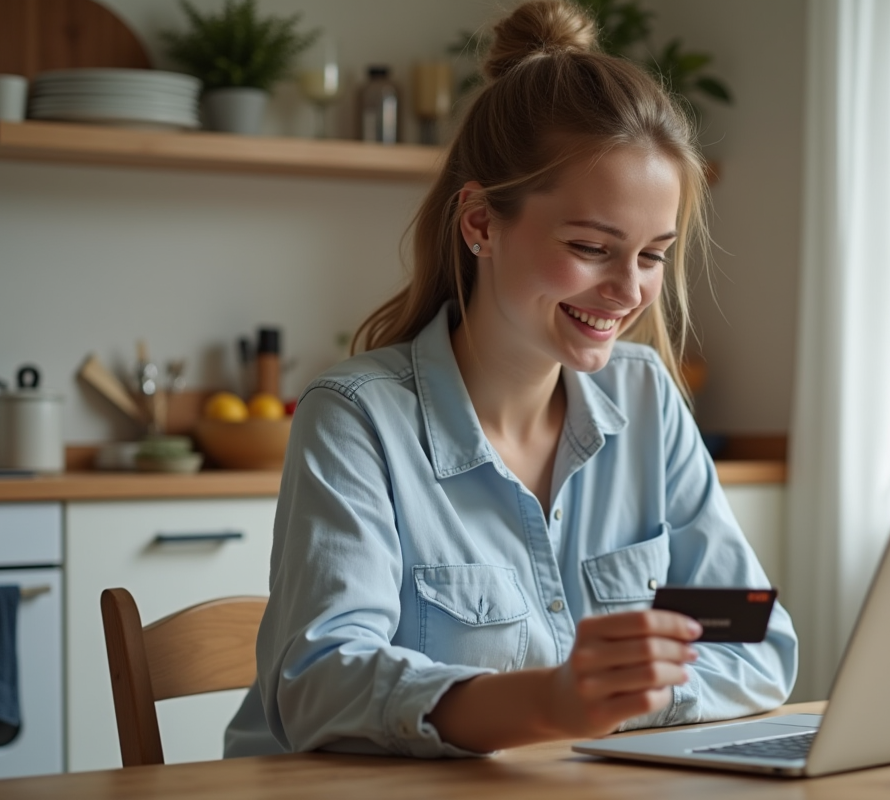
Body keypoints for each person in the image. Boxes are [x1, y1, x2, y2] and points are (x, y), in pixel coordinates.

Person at [225, 0, 797, 759]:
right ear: (481, 225)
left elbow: (754, 638)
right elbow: (320, 681)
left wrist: (610, 706)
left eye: (653, 255)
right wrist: (550, 703)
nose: (629, 291)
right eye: (593, 247)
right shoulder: (357, 419)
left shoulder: (646, 398)